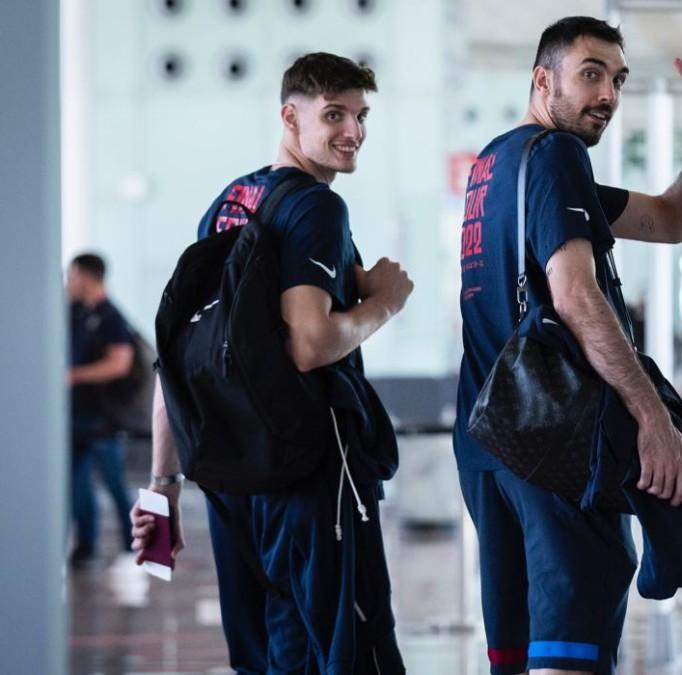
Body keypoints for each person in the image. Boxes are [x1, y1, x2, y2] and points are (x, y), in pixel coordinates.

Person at [454, 16, 682, 675]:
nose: (608, 94)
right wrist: (653, 420)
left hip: (487, 441)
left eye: (617, 80)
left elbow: (673, 220)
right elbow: (576, 297)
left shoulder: (495, 165)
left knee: (520, 651)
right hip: (555, 444)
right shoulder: (556, 155)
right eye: (590, 74)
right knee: (571, 653)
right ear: (542, 79)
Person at [129, 52, 412, 673]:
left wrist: (164, 484)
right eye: (334, 115)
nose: (353, 132)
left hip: (233, 477)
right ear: (290, 116)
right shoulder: (315, 207)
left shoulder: (228, 204)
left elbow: (178, 358)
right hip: (308, 476)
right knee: (346, 651)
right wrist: (386, 303)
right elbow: (309, 344)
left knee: (265, 658)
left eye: (362, 116)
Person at [67, 252, 136, 567]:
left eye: (72, 275)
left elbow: (120, 364)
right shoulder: (76, 313)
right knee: (79, 488)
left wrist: (73, 376)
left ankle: (133, 547)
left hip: (104, 420)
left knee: (115, 487)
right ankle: (86, 548)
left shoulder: (110, 317)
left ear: (85, 275)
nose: (69, 282)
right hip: (76, 418)